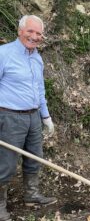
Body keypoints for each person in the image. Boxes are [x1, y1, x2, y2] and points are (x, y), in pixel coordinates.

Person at [0, 15, 56, 220]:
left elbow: (40, 90)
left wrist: (45, 116)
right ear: (19, 31)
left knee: (34, 157)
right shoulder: (3, 54)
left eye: (38, 33)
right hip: (9, 117)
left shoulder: (37, 57)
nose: (34, 36)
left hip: (33, 118)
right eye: (30, 31)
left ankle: (31, 195)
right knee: (5, 163)